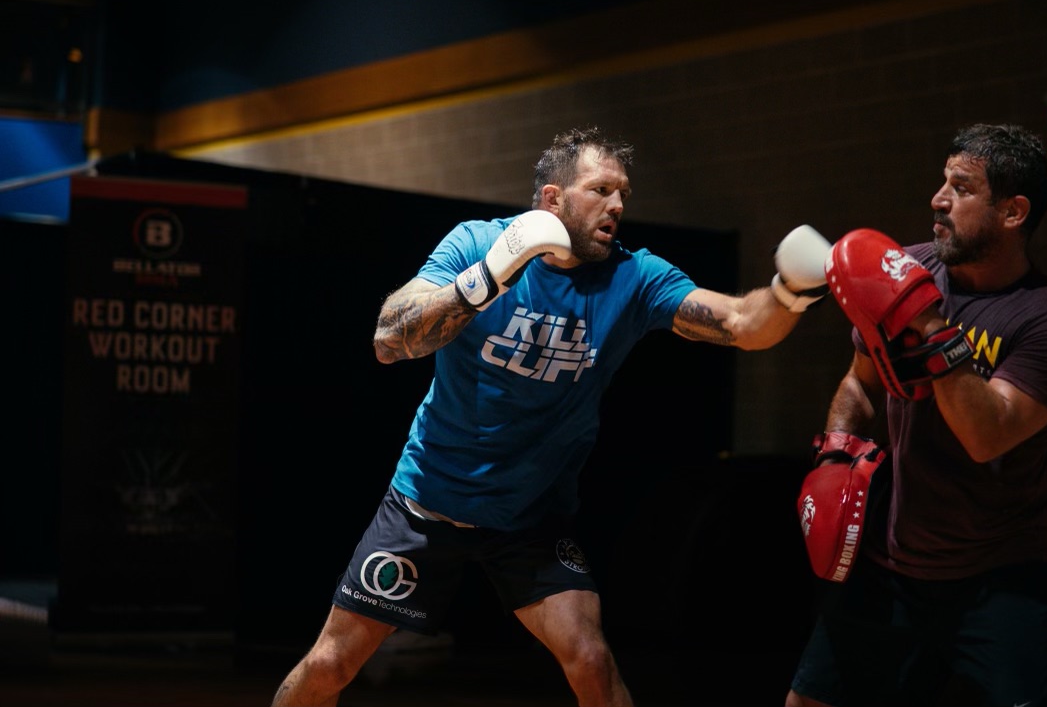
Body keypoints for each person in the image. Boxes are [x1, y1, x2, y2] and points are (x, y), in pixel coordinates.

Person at [272, 126, 834, 707]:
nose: (618, 205)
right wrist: (485, 280)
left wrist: (790, 290)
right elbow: (390, 338)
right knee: (331, 662)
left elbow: (742, 324)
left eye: (624, 194)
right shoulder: (476, 244)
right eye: (601, 189)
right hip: (428, 501)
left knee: (590, 658)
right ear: (551, 200)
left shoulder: (634, 277)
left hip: (529, 517)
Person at [787, 123, 1047, 707]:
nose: (938, 199)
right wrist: (836, 452)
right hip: (891, 558)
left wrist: (929, 324)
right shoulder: (904, 267)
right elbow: (859, 381)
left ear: (1012, 211)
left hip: (1000, 573)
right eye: (941, 182)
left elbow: (986, 436)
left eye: (961, 187)